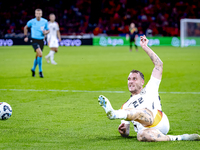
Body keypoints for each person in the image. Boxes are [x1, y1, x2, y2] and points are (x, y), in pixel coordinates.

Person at [98, 35, 200, 142]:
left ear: (142, 82)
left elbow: (159, 65)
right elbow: (126, 132)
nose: (130, 81)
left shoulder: (150, 86)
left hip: (158, 121)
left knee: (139, 111)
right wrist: (123, 131)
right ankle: (180, 138)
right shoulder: (125, 105)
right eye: (129, 79)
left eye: (134, 79)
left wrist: (145, 47)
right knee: (141, 136)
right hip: (147, 131)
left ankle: (114, 114)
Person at [24, 9, 49, 78]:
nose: (38, 15)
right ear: (35, 14)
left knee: (38, 55)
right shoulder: (31, 21)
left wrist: (46, 32)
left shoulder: (45, 21)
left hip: (41, 41)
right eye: (37, 14)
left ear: (41, 14)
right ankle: (40, 71)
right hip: (34, 40)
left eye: (39, 13)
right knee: (40, 54)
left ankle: (33, 69)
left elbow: (48, 30)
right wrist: (25, 36)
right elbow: (25, 27)